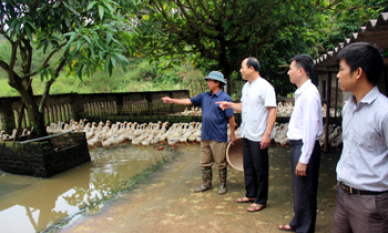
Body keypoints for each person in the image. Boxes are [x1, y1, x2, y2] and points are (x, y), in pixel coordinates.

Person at [333, 42, 388, 233]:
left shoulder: (384, 112)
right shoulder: (348, 107)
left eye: (341, 69)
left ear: (358, 73)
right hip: (343, 195)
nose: (338, 75)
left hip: (371, 202)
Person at [161, 71, 236, 195]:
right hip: (205, 136)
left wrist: (232, 134)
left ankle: (223, 185)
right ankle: (206, 184)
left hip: (218, 136)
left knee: (220, 163)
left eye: (210, 81)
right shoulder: (204, 96)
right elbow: (188, 101)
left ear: (217, 83)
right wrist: (172, 100)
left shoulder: (226, 98)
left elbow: (231, 118)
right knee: (205, 162)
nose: (208, 83)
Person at [217, 57, 277, 212]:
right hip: (247, 134)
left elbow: (272, 110)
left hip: (259, 135)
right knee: (248, 166)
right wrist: (229, 105)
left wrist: (267, 134)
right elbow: (243, 106)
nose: (240, 70)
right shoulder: (246, 87)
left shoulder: (265, 87)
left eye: (242, 67)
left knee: (260, 168)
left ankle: (261, 200)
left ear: (252, 68)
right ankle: (250, 194)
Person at [278, 54, 323, 233]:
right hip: (299, 146)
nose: (289, 72)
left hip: (305, 147)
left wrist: (304, 158)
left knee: (306, 189)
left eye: (291, 68)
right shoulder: (302, 92)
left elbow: (311, 129)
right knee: (300, 188)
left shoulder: (310, 94)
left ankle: (304, 228)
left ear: (301, 71)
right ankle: (298, 221)